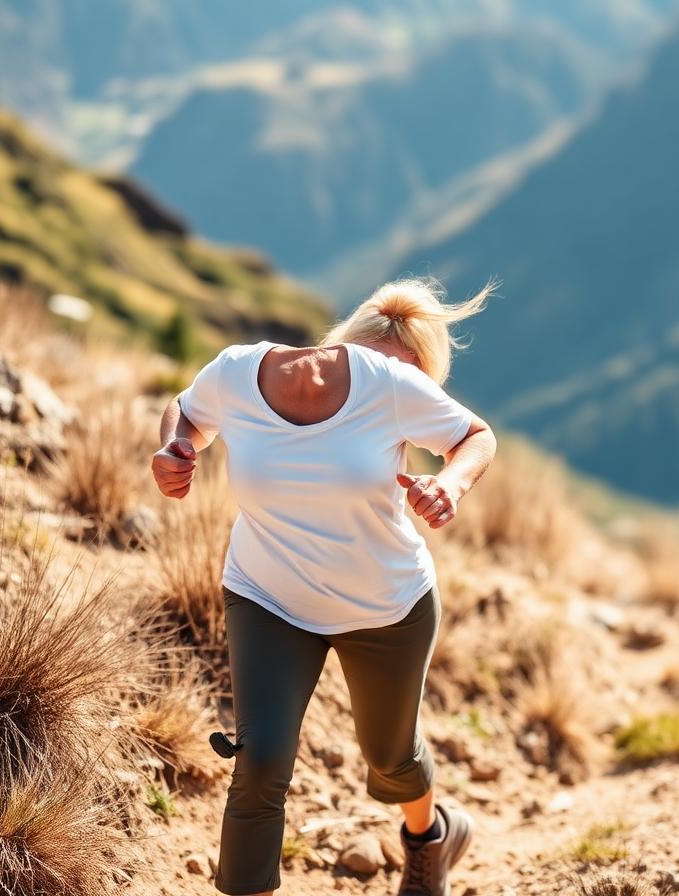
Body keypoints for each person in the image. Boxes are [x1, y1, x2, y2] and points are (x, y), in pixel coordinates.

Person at [150, 278, 498, 896]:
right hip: (268, 596)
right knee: (258, 763)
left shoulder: (393, 387)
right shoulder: (237, 372)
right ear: (353, 352)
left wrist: (450, 486)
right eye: (417, 378)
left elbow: (475, 437)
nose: (420, 393)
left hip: (388, 605)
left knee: (391, 758)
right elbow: (188, 409)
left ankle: (430, 839)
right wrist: (176, 448)